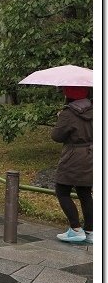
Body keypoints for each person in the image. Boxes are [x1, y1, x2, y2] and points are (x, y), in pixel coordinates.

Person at [51, 86, 93, 244]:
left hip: (73, 157)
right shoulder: (96, 109)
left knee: (62, 190)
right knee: (85, 193)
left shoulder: (68, 113)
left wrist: (60, 118)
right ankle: (90, 231)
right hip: (92, 155)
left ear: (68, 94)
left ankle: (75, 229)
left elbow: (56, 136)